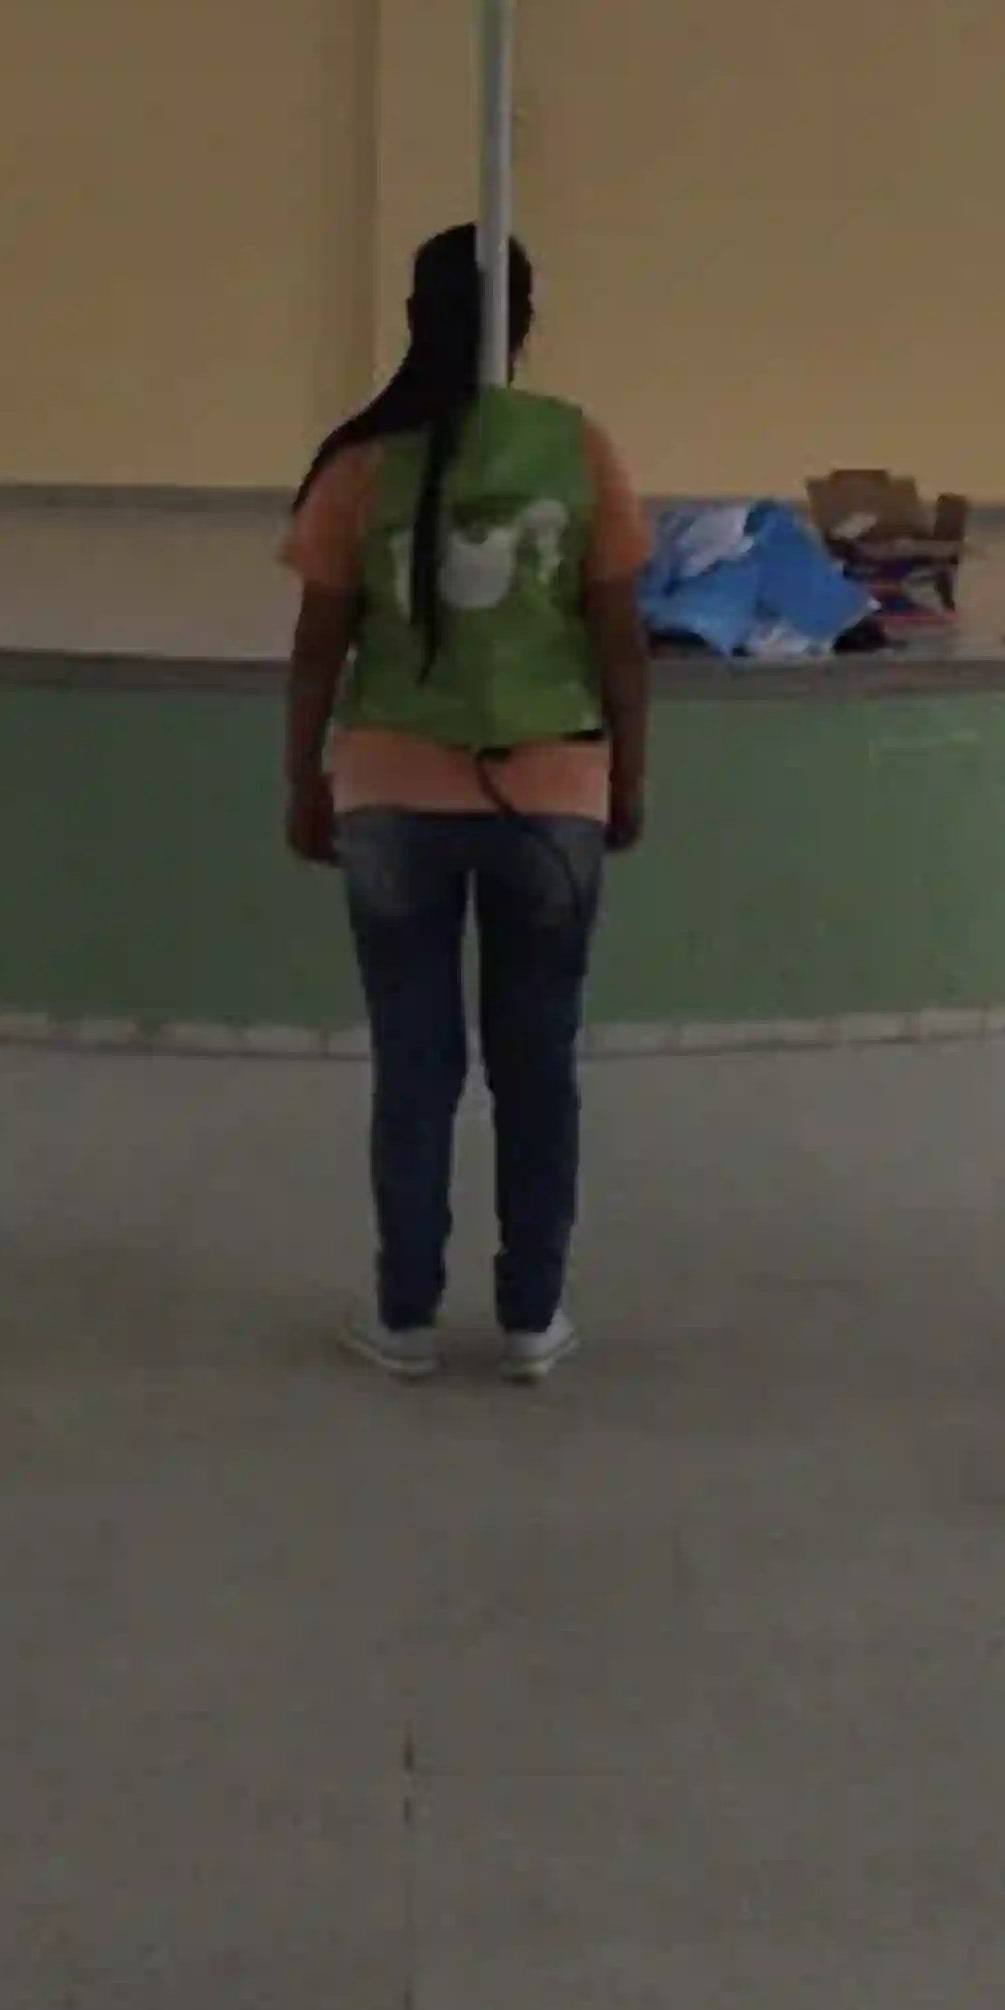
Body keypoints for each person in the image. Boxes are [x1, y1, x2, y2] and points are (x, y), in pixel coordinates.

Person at [283, 227, 651, 1386]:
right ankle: (534, 1315)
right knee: (537, 1061)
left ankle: (403, 1313)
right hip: (552, 796)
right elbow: (619, 638)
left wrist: (305, 777)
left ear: (413, 313)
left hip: (391, 791)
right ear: (525, 320)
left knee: (415, 1061)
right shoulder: (576, 448)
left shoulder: (359, 462)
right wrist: (627, 776)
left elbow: (316, 647)